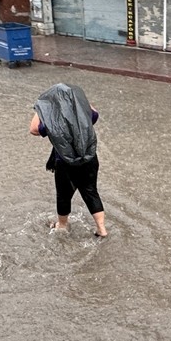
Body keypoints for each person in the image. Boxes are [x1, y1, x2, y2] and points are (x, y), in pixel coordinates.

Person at [30, 83, 108, 238]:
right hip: (90, 158)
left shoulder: (53, 122)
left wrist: (41, 109)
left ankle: (62, 226)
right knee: (91, 191)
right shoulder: (84, 116)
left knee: (64, 195)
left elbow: (34, 129)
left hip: (65, 162)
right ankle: (101, 229)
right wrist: (78, 100)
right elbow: (94, 113)